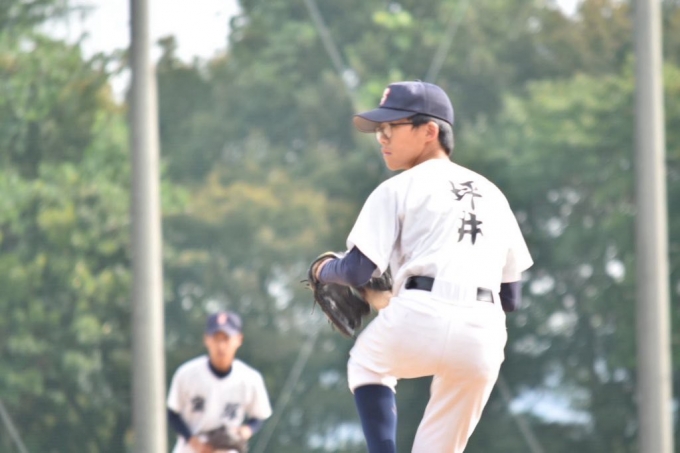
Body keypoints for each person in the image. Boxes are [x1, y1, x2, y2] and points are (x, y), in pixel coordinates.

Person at [314, 80, 533, 453]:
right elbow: (510, 297)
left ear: (430, 131)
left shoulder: (398, 188)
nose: (382, 137)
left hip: (420, 313)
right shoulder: (494, 194)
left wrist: (323, 269)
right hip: (483, 334)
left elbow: (356, 270)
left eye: (391, 126)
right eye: (379, 130)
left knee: (367, 365)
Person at [167, 310, 273, 453]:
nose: (221, 345)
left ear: (239, 339)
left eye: (226, 338)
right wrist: (193, 441)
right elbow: (172, 413)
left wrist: (245, 431)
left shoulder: (250, 378)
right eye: (216, 338)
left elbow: (259, 415)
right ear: (206, 339)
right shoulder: (186, 374)